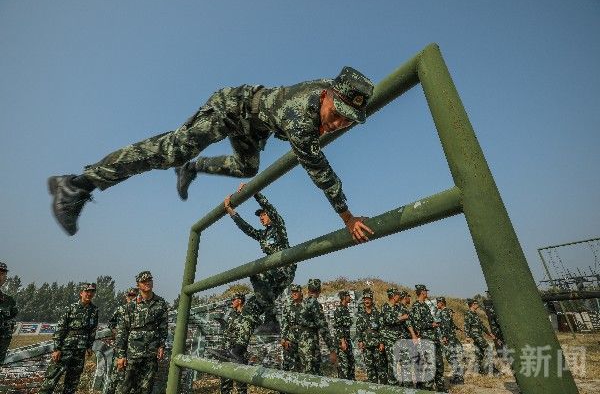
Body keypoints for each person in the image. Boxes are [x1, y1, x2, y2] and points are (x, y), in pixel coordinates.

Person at [48, 67, 375, 244]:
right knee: (172, 150)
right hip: (232, 108)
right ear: (329, 94)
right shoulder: (300, 117)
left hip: (253, 126)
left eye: (348, 120)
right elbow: (318, 169)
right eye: (338, 113)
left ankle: (193, 168)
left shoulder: (326, 91)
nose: (339, 123)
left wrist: (330, 120)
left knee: (248, 167)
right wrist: (347, 218)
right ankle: (78, 184)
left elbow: (328, 118)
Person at [224, 184, 295, 334]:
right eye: (260, 216)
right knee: (252, 306)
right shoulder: (263, 235)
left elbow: (270, 208)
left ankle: (272, 320)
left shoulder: (279, 227)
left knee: (257, 273)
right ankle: (238, 349)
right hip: (272, 275)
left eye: (263, 214)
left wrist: (254, 191)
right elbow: (247, 229)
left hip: (284, 270)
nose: (261, 218)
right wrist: (231, 212)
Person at [115, 271, 168, 394]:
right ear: (138, 285)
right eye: (144, 281)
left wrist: (161, 345)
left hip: (151, 351)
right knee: (125, 386)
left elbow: (163, 327)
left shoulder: (160, 303)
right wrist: (121, 355)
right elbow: (122, 331)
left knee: (146, 387)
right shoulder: (130, 307)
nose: (147, 283)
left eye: (149, 280)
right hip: (133, 352)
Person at [39, 283, 98, 394]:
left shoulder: (94, 310)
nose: (89, 294)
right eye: (87, 291)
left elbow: (93, 329)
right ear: (81, 293)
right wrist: (57, 349)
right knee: (52, 377)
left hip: (80, 350)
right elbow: (61, 328)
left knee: (73, 380)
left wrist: (89, 346)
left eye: (92, 292)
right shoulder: (71, 308)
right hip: (66, 348)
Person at [409, 284, 443, 391]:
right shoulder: (416, 306)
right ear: (422, 292)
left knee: (439, 363)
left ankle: (440, 387)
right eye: (426, 292)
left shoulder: (425, 306)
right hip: (426, 338)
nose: (427, 293)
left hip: (434, 338)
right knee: (430, 365)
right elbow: (417, 325)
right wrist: (431, 324)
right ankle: (427, 389)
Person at [298, 278, 336, 375]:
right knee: (313, 376)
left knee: (305, 373)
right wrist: (332, 349)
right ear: (319, 291)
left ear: (308, 290)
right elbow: (323, 327)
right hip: (311, 345)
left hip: (302, 343)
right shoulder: (314, 304)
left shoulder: (303, 303)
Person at [104, 287, 138, 394]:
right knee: (116, 373)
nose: (131, 298)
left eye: (134, 295)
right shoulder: (121, 309)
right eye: (129, 296)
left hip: (135, 347)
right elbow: (111, 323)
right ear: (126, 297)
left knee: (131, 375)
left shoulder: (141, 309)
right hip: (121, 346)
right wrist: (116, 332)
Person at [220, 292, 252, 394]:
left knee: (241, 383)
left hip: (238, 352)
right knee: (225, 382)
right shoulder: (232, 314)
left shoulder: (247, 315)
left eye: (233, 300)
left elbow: (245, 335)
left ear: (239, 301)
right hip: (227, 350)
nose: (232, 302)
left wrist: (237, 350)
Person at [355, 288, 387, 384]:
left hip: (377, 345)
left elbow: (382, 329)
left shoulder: (377, 314)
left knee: (380, 368)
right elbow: (358, 329)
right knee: (370, 368)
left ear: (372, 300)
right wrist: (360, 341)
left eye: (368, 299)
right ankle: (372, 387)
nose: (366, 301)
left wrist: (381, 342)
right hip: (366, 345)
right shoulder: (361, 315)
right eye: (365, 299)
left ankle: (382, 388)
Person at [381, 287, 408, 386]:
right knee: (392, 363)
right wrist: (402, 317)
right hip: (389, 340)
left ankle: (401, 384)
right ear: (393, 296)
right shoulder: (386, 307)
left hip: (399, 338)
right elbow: (388, 320)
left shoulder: (398, 307)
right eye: (397, 294)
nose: (399, 296)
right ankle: (392, 385)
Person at [436, 296, 464, 385]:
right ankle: (458, 376)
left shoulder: (444, 312)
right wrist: (458, 328)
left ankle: (458, 377)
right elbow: (451, 324)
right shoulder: (448, 311)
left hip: (448, 338)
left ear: (441, 303)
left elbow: (446, 325)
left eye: (438, 303)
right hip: (452, 337)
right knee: (453, 356)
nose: (437, 304)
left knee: (450, 356)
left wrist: (444, 337)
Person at [464, 298, 496, 375]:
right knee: (487, 348)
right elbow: (466, 325)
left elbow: (481, 325)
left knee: (479, 352)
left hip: (478, 334)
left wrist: (489, 334)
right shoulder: (468, 313)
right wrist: (467, 336)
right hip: (475, 334)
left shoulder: (475, 314)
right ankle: (492, 369)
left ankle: (478, 370)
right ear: (472, 305)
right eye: (476, 303)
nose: (477, 305)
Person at [280, 284, 304, 374]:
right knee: (289, 363)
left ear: (300, 293)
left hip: (303, 339)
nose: (293, 294)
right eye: (292, 292)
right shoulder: (288, 306)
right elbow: (284, 323)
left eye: (296, 292)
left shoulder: (306, 305)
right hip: (291, 338)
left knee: (302, 363)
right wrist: (283, 338)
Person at [332, 290, 355, 380]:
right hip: (341, 341)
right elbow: (338, 327)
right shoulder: (339, 310)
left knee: (351, 362)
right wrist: (342, 341)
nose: (350, 297)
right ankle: (343, 384)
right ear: (344, 297)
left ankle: (351, 383)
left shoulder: (346, 309)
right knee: (343, 364)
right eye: (348, 296)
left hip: (347, 339)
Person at [0, 262, 18, 364]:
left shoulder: (8, 301)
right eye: (0, 273)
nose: (2, 277)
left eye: (4, 274)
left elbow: (12, 317)